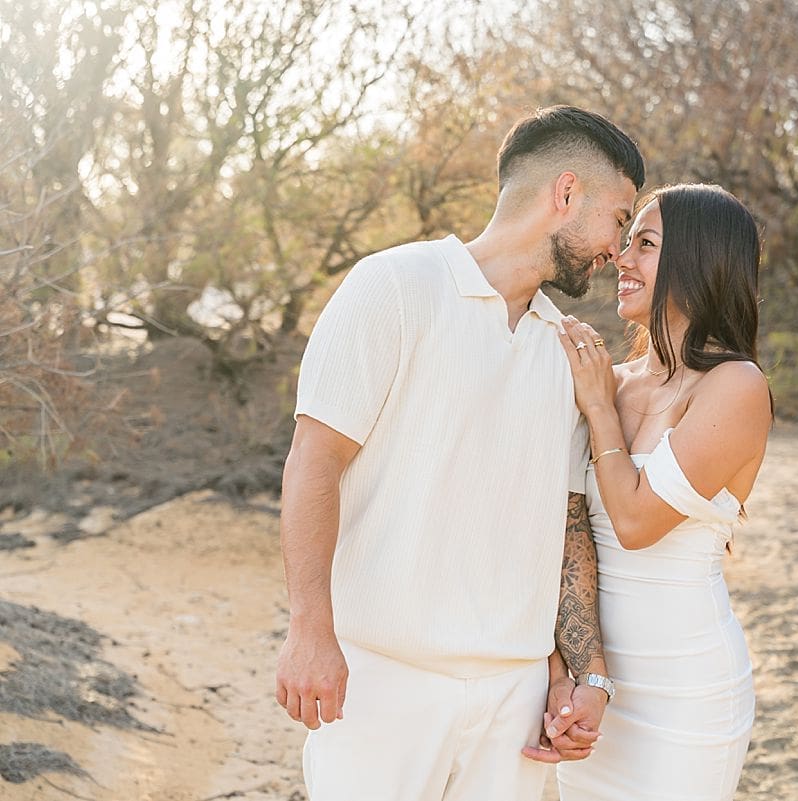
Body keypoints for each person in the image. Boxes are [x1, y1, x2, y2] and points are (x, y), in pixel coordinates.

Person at [274, 105, 644, 801]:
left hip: (514, 699)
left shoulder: (567, 345)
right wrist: (308, 629)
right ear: (565, 194)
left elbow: (566, 524)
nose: (619, 251)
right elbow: (313, 461)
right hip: (382, 680)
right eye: (620, 219)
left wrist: (573, 670)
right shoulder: (393, 287)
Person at [549, 184, 772, 801]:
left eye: (645, 244)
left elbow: (637, 522)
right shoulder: (611, 381)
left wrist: (596, 408)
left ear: (698, 261)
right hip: (591, 683)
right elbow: (563, 528)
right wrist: (567, 671)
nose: (621, 259)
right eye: (626, 243)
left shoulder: (735, 386)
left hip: (684, 692)